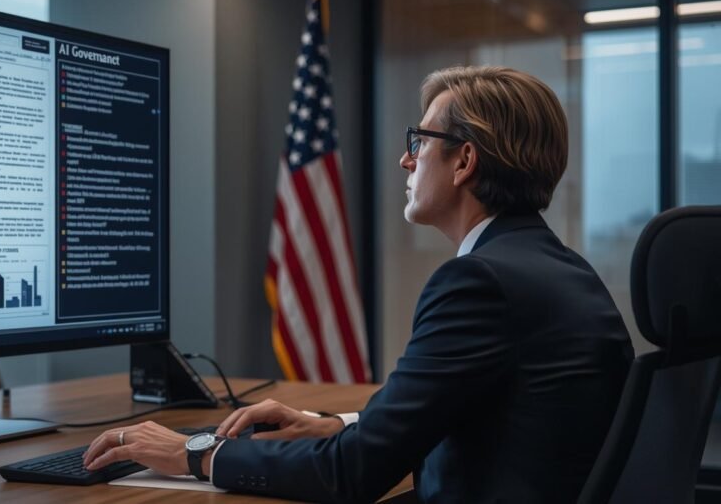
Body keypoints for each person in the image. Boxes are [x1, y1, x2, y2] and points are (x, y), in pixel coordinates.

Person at [82, 66, 634, 503]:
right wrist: (329, 424)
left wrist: (196, 453)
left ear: (464, 160)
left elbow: (351, 473)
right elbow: (464, 411)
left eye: (420, 140)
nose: (405, 159)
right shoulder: (563, 269)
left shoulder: (479, 281)